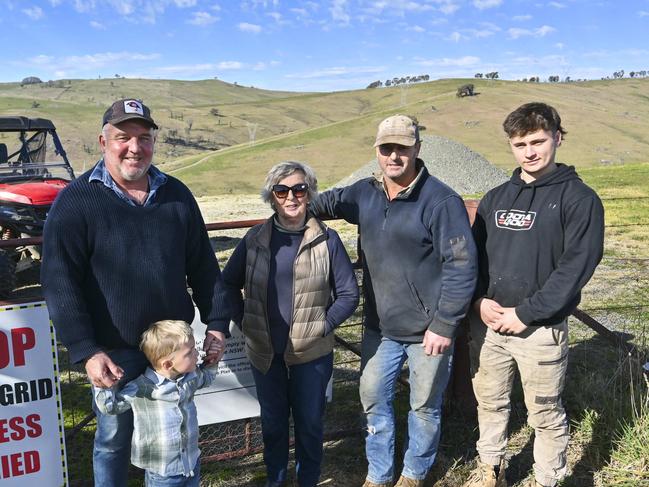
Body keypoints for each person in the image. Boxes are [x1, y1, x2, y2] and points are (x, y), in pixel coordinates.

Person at [41, 98, 230, 487]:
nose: (135, 147)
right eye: (123, 137)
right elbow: (61, 282)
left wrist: (217, 324)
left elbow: (204, 267)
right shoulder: (76, 202)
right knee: (113, 440)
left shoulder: (176, 195)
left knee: (171, 436)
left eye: (144, 138)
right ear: (102, 141)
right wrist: (86, 349)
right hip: (114, 351)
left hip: (172, 348)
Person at [310, 115, 478, 487]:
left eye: (403, 148)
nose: (394, 156)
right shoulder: (364, 193)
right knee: (372, 399)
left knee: (424, 407)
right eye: (387, 149)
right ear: (377, 152)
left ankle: (415, 472)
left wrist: (445, 323)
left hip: (428, 332)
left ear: (417, 149)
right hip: (380, 327)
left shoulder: (441, 200)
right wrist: (290, 207)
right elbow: (325, 203)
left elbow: (461, 266)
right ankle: (379, 473)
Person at [463, 102, 604, 487]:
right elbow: (475, 258)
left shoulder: (580, 200)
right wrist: (478, 300)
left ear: (558, 138)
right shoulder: (495, 198)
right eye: (520, 143)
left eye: (538, 141)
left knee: (544, 413)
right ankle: (491, 469)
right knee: (489, 402)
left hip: (539, 330)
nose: (530, 151)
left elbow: (575, 269)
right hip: (490, 325)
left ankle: (548, 477)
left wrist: (526, 313)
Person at [222, 161, 359, 487]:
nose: (291, 196)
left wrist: (322, 327)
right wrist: (244, 322)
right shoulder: (255, 239)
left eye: (299, 189)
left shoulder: (327, 240)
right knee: (273, 424)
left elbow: (349, 294)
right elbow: (226, 284)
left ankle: (307, 481)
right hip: (266, 353)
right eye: (282, 190)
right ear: (272, 196)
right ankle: (276, 480)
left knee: (310, 424)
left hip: (311, 355)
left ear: (309, 193)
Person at [94, 320, 220, 487]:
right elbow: (111, 407)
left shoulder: (191, 378)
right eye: (190, 352)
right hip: (163, 473)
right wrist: (103, 386)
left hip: (191, 463)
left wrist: (213, 360)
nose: (197, 354)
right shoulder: (142, 387)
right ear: (167, 364)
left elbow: (207, 378)